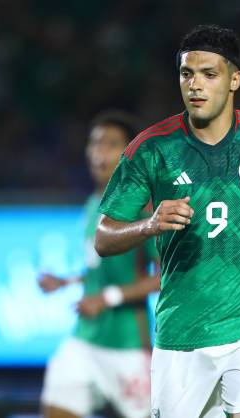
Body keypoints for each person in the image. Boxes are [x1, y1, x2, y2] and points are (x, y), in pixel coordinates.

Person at [95, 25, 240, 418]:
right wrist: (149, 224)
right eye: (187, 74)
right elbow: (104, 237)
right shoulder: (151, 149)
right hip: (180, 335)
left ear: (235, 79)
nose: (195, 85)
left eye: (209, 74)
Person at [39, 111, 159, 418]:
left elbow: (163, 277)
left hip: (128, 345)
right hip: (85, 340)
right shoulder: (95, 203)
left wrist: (107, 299)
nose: (98, 152)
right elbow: (100, 268)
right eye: (94, 143)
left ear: (129, 154)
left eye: (110, 144)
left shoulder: (143, 210)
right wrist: (67, 282)